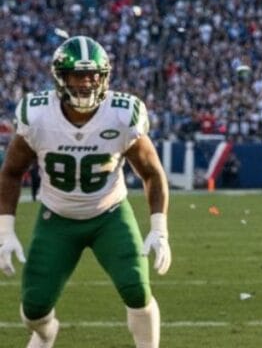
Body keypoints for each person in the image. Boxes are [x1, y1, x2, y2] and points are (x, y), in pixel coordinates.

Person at [0, 36, 171, 348]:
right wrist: (5, 231)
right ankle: (47, 335)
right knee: (33, 310)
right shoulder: (37, 116)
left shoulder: (121, 114)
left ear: (104, 76)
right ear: (61, 79)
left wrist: (159, 228)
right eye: (78, 75)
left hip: (110, 215)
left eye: (93, 75)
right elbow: (11, 172)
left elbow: (151, 172)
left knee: (137, 290)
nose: (87, 83)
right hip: (57, 218)